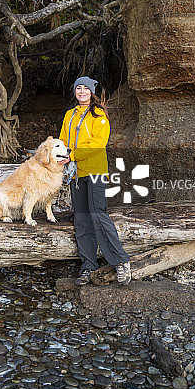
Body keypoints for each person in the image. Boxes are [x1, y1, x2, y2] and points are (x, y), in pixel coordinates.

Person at [58, 76, 131, 286]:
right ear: (75, 91)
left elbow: (98, 144)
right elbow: (63, 140)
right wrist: (59, 156)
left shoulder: (99, 114)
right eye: (78, 88)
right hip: (76, 174)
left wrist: (73, 156)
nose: (82, 92)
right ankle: (88, 265)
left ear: (91, 92)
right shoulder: (70, 114)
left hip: (95, 172)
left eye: (85, 89)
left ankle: (121, 261)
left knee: (98, 214)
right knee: (81, 219)